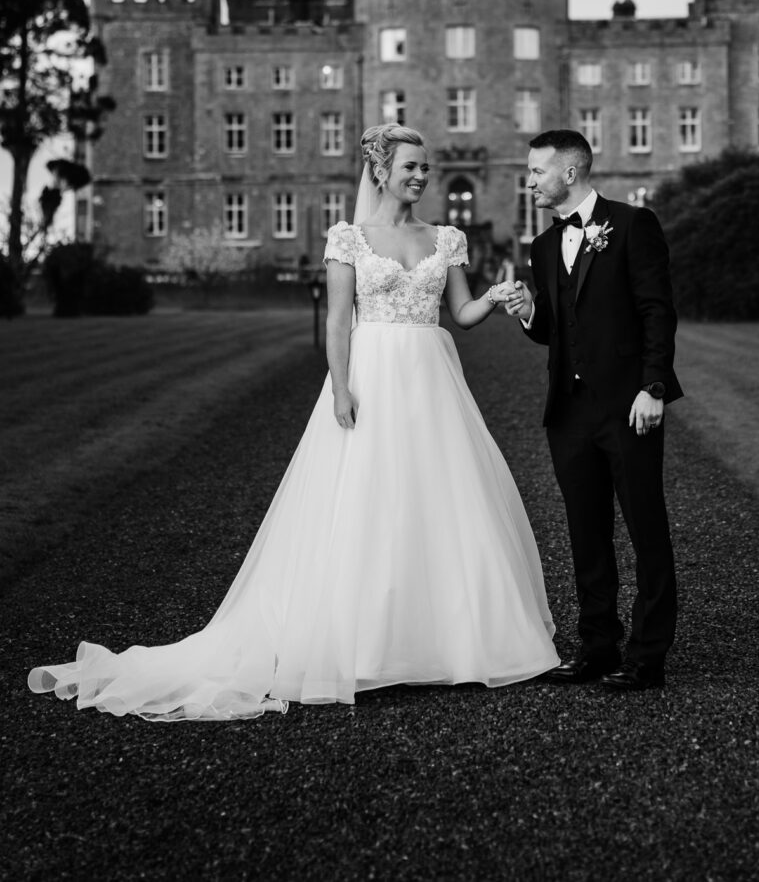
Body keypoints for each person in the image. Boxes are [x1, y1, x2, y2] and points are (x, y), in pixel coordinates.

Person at [28, 123, 558, 719]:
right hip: (373, 376)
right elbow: (337, 323)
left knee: (441, 499)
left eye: (425, 166)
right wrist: (339, 389)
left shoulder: (447, 237)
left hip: (433, 378)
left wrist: (495, 298)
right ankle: (362, 645)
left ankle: (448, 642)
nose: (420, 174)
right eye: (410, 165)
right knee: (366, 500)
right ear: (380, 171)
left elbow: (459, 313)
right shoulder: (348, 237)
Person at [505, 129, 682, 691]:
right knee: (586, 532)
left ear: (571, 172)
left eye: (536, 171)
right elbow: (555, 334)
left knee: (645, 527)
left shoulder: (633, 225)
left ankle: (647, 654)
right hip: (569, 413)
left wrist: (653, 387)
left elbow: (658, 312)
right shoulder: (540, 245)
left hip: (629, 407)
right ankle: (597, 646)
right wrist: (530, 312)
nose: (529, 180)